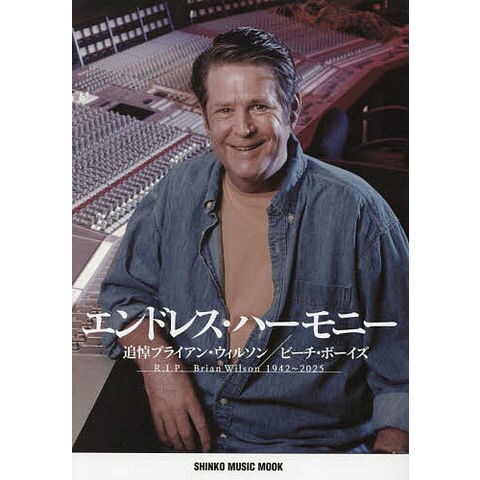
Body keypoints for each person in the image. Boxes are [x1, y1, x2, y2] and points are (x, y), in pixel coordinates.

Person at [99, 27, 408, 454]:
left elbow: (407, 374)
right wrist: (159, 367)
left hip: (312, 454)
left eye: (259, 106)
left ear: (292, 109)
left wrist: (387, 462)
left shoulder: (360, 213)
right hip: (196, 451)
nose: (242, 128)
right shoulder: (176, 191)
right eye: (225, 110)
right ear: (205, 118)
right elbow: (124, 295)